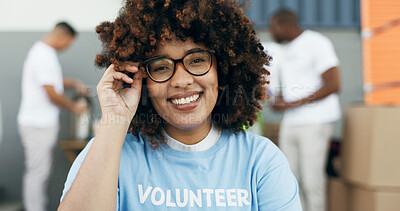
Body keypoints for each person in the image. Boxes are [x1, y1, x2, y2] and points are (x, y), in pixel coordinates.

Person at [58, 1, 302, 210]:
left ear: (224, 70)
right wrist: (115, 120)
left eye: (197, 60)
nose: (182, 81)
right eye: (161, 67)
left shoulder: (260, 160)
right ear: (141, 79)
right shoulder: (108, 152)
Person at [268, 9, 341, 211]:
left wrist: (291, 104)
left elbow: (334, 84)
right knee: (288, 180)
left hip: (315, 122)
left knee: (312, 182)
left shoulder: (316, 43)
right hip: (291, 122)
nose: (271, 32)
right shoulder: (284, 50)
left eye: (273, 27)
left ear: (284, 25)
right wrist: (280, 102)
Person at [17, 22, 88, 211]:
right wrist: (74, 107)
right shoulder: (43, 55)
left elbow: (50, 80)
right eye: (69, 43)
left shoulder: (42, 53)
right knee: (38, 173)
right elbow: (50, 92)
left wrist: (72, 82)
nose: (67, 47)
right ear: (62, 36)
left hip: (38, 123)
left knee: (39, 172)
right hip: (38, 124)